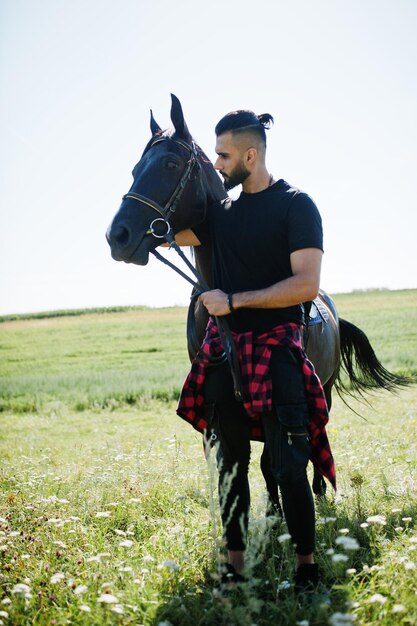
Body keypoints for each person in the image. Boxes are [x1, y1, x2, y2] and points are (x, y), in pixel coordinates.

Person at [174, 109, 336, 594]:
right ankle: (235, 565)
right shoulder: (218, 214)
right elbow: (171, 230)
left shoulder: (296, 205)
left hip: (279, 350)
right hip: (224, 353)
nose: (218, 164)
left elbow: (307, 285)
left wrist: (235, 300)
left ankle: (306, 566)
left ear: (250, 154)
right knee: (230, 466)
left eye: (223, 155)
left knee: (289, 465)